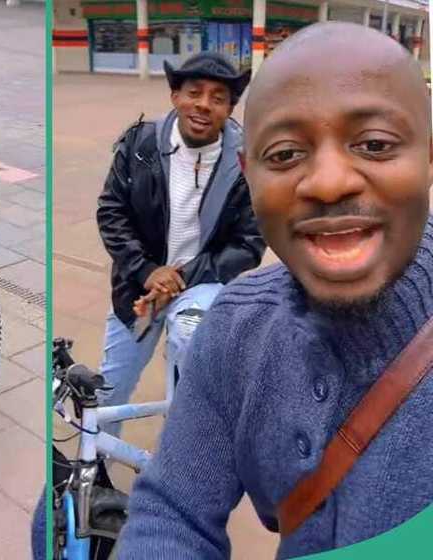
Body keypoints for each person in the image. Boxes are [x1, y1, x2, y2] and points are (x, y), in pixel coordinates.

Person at [118, 22, 433, 558]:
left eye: (374, 144)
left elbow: (240, 243)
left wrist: (189, 278)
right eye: (286, 154)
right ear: (252, 172)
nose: (329, 182)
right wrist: (146, 270)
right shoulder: (237, 331)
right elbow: (171, 510)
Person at [95, 51, 265, 436]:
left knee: (191, 342)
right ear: (175, 96)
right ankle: (99, 469)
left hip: (200, 283)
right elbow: (111, 212)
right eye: (194, 92)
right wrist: (148, 272)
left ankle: (187, 446)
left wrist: (179, 279)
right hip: (137, 284)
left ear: (230, 107)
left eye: (218, 97)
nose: (204, 104)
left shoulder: (245, 164)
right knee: (110, 388)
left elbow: (250, 242)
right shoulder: (140, 145)